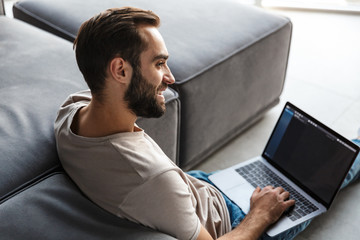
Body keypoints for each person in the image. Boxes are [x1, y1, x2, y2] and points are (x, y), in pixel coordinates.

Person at [54, 7, 360, 240]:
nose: (170, 77)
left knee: (277, 167)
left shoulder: (71, 111)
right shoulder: (152, 178)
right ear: (120, 70)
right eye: (159, 63)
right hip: (234, 219)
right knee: (322, 174)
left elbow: (164, 188)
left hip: (194, 187)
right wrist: (260, 214)